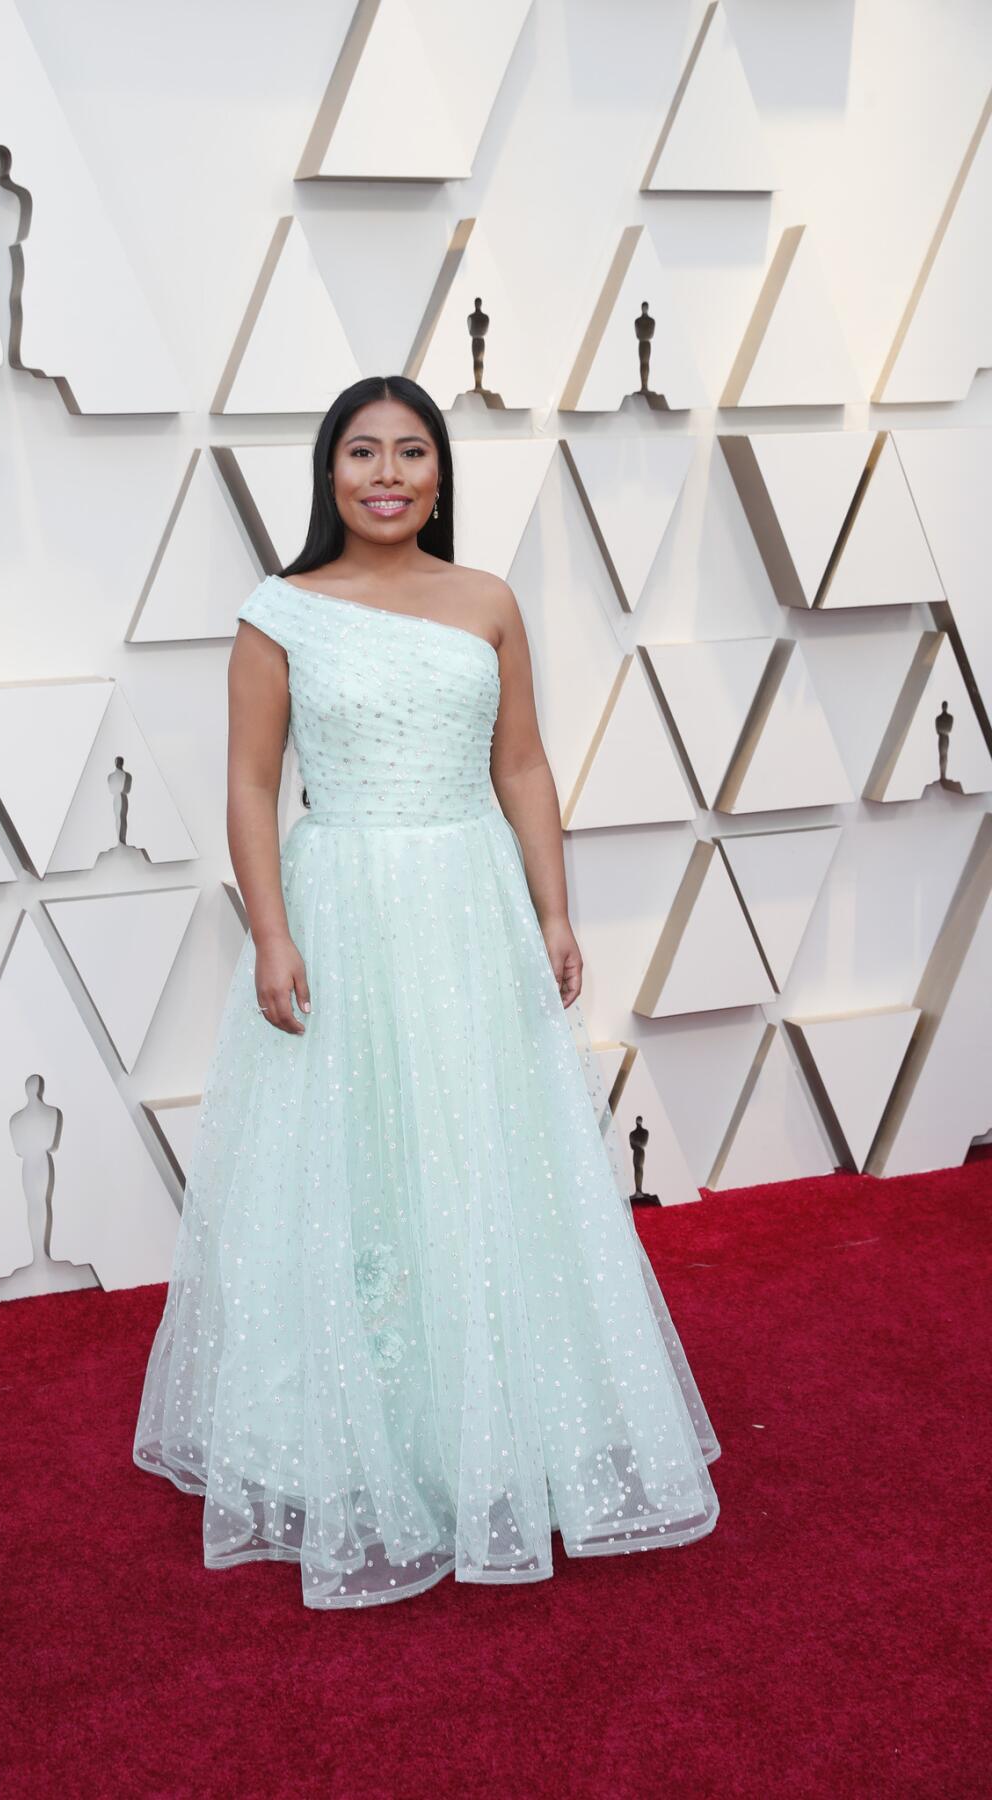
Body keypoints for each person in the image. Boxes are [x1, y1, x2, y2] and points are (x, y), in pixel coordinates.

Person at [133, 374, 721, 1609]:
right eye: (361, 452)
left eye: (411, 452)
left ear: (442, 473)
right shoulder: (280, 613)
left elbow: (521, 764)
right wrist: (272, 935)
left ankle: (493, 1421)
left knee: (482, 1153)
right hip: (341, 905)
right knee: (351, 1162)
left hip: (467, 907)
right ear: (329, 472)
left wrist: (554, 911)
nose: (387, 474)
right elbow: (249, 788)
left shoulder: (489, 603)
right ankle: (362, 1433)